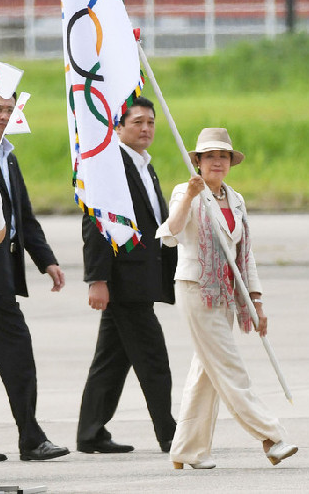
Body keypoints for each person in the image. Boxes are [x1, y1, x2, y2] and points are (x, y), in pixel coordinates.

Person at [156, 128, 297, 469]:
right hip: (196, 289)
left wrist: (256, 302)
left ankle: (187, 450)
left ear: (230, 162)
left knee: (206, 374)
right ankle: (272, 436)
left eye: (223, 156)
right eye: (210, 156)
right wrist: (189, 197)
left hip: (227, 295)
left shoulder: (235, 199)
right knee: (230, 368)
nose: (217, 162)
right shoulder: (185, 191)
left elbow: (243, 255)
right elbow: (170, 234)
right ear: (198, 162)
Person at [0, 89, 68, 462]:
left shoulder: (7, 155)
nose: (4, 116)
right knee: (18, 356)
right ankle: (31, 438)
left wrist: (47, 261)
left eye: (9, 110)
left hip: (4, 273)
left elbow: (22, 215)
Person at [76, 97, 178, 454]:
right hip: (124, 283)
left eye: (150, 122)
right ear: (118, 127)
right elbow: (96, 222)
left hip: (141, 279)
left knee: (111, 360)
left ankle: (90, 432)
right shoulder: (111, 166)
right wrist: (97, 279)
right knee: (154, 359)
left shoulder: (143, 165)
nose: (146, 128)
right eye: (137, 122)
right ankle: (170, 433)